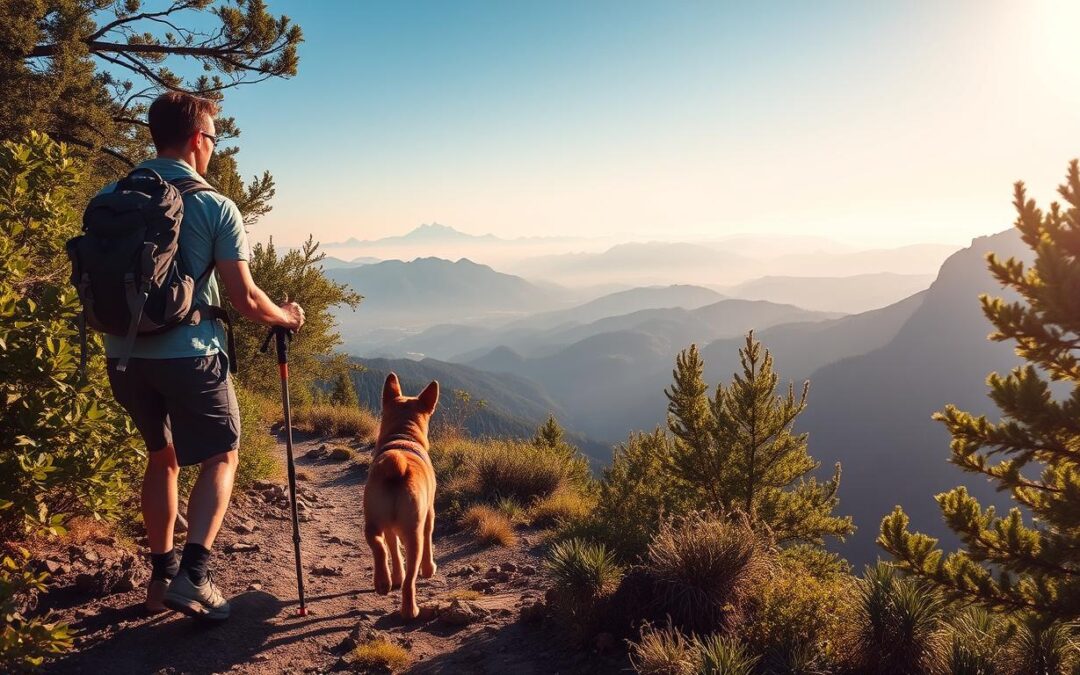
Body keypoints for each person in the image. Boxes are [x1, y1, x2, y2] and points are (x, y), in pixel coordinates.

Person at [100, 92, 305, 621]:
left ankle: (161, 578)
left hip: (122, 355)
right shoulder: (215, 205)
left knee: (161, 458)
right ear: (197, 139)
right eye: (214, 137)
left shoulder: (111, 195)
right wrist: (286, 317)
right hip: (189, 355)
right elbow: (246, 299)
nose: (214, 147)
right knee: (221, 457)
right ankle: (194, 576)